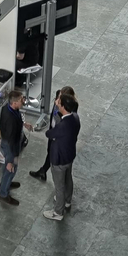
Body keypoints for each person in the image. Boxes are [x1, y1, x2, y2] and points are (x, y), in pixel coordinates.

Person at [42, 91, 80, 221]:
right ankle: (67, 200)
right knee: (68, 179)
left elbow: (49, 134)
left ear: (63, 106)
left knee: (59, 186)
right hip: (69, 155)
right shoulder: (75, 117)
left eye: (59, 102)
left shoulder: (62, 126)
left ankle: (58, 212)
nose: (57, 103)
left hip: (59, 159)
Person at [0, 87, 26, 205]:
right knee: (11, 168)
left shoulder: (7, 109)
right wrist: (12, 158)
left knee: (9, 168)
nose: (23, 101)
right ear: (14, 103)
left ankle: (6, 183)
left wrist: (23, 124)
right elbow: (11, 139)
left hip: (9, 143)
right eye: (21, 100)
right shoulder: (11, 121)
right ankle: (3, 193)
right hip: (10, 147)